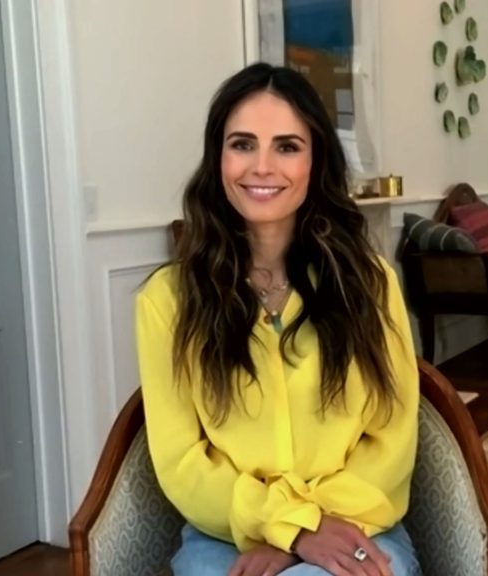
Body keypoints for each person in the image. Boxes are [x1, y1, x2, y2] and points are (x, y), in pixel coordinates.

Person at [135, 62, 421, 576]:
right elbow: (180, 462)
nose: (261, 166)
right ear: (217, 158)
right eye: (242, 144)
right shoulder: (167, 301)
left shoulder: (371, 284)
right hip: (226, 535)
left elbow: (392, 439)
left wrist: (300, 536)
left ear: (316, 163)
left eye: (287, 146)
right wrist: (290, 526)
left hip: (357, 525)